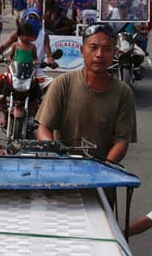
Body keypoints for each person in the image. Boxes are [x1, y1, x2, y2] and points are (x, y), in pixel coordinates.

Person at [35, 23, 136, 164]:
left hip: (102, 175)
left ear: (114, 53)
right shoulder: (63, 83)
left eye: (107, 49)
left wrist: (105, 168)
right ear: (82, 50)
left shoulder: (123, 93)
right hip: (64, 170)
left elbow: (121, 141)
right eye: (93, 48)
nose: (99, 54)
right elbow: (43, 128)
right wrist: (55, 153)